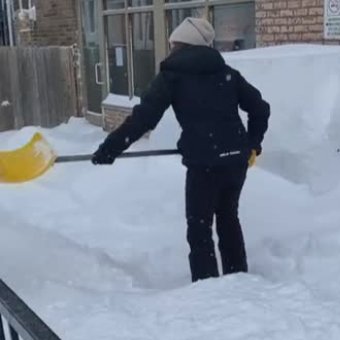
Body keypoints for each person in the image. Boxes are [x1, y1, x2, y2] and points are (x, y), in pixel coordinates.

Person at [91, 17, 270, 282]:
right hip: (235, 160)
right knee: (228, 219)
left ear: (178, 44)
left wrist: (110, 148)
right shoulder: (226, 73)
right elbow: (260, 108)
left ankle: (208, 287)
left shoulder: (172, 76)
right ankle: (238, 281)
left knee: (200, 228)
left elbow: (144, 118)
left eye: (173, 43)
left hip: (204, 162)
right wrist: (252, 143)